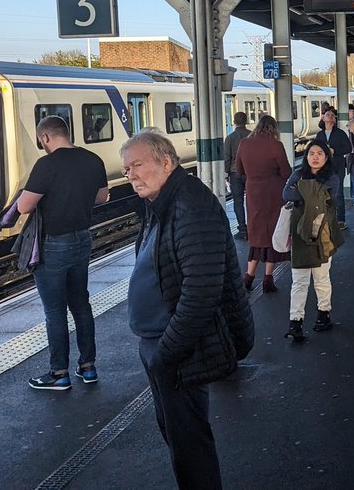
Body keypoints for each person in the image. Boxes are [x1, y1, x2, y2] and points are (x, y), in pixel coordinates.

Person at [121, 129, 254, 490]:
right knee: (178, 438)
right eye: (126, 168)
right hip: (161, 343)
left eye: (137, 165)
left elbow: (201, 291)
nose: (130, 174)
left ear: (166, 162)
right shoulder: (163, 204)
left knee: (189, 444)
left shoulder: (189, 206)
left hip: (179, 348)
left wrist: (166, 354)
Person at [17, 116, 108, 390]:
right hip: (82, 240)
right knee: (81, 304)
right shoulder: (93, 160)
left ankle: (59, 373)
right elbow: (102, 197)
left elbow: (23, 207)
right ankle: (88, 367)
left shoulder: (47, 165)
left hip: (53, 244)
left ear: (45, 137)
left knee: (55, 311)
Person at [282, 141, 345, 341]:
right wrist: (312, 193)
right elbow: (286, 193)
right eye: (311, 153)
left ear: (326, 157)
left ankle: (323, 313)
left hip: (323, 232)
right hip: (300, 234)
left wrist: (301, 193)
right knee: (299, 280)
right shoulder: (298, 173)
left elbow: (327, 198)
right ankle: (295, 322)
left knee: (321, 278)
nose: (315, 157)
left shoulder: (332, 178)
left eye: (319, 153)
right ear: (306, 156)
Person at [234, 115, 291, 293]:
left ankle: (249, 276)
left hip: (253, 193)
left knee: (257, 232)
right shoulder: (276, 145)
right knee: (273, 233)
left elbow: (239, 170)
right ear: (273, 128)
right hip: (274, 193)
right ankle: (268, 278)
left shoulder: (244, 143)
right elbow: (286, 172)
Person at [314, 109, 352, 228]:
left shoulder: (340, 133)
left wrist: (335, 152)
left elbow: (348, 148)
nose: (330, 117)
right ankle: (327, 218)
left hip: (338, 167)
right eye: (327, 115)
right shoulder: (320, 135)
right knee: (324, 193)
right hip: (324, 168)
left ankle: (341, 219)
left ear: (334, 120)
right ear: (323, 118)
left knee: (338, 193)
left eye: (332, 115)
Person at [221, 111, 251, 240]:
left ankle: (242, 229)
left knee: (237, 201)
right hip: (250, 172)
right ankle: (252, 227)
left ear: (234, 122)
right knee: (251, 201)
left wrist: (226, 173)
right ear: (246, 121)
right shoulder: (251, 136)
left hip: (235, 173)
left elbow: (226, 157)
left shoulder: (230, 138)